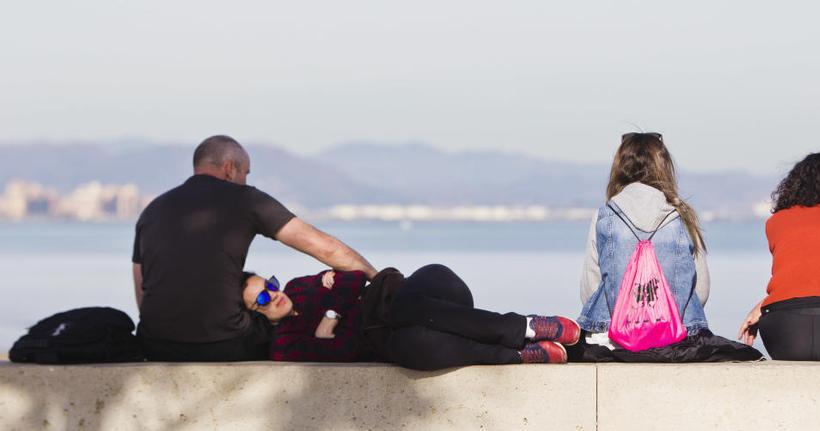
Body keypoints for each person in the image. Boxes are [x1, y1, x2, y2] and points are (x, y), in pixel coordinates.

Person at [132, 135, 377, 362]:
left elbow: (142, 288)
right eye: (245, 173)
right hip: (225, 344)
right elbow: (322, 247)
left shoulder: (152, 210)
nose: (245, 181)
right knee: (289, 325)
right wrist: (377, 279)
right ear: (229, 168)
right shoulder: (245, 199)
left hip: (155, 345)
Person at [570, 132, 761, 362]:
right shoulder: (682, 216)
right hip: (676, 336)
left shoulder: (605, 216)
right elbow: (700, 289)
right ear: (663, 166)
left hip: (612, 338)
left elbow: (590, 288)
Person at [242, 264, 583, 369]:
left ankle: (522, 328)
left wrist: (330, 315)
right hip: (386, 338)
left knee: (418, 293)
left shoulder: (297, 286)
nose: (274, 293)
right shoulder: (284, 345)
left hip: (406, 297)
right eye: (262, 297)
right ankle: (517, 350)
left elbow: (354, 275)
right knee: (420, 342)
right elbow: (342, 350)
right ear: (256, 314)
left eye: (268, 283)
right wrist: (335, 294)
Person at [738, 153, 820, 360]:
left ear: (793, 185)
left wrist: (764, 305)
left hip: (785, 331)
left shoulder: (776, 222)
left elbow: (796, 274)